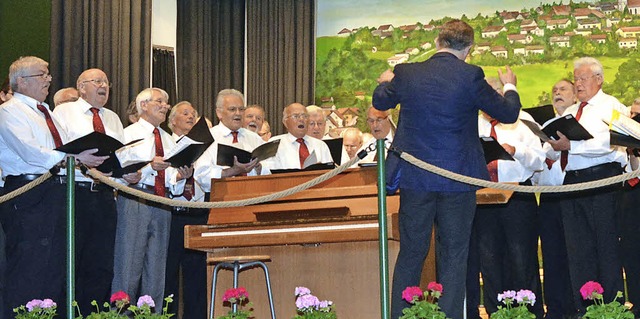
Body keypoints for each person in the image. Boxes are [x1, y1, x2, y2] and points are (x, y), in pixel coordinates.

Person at [372, 19, 522, 319]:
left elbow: (379, 100)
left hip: (416, 178)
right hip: (457, 180)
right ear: (469, 49)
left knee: (411, 253)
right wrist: (509, 85)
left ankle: (401, 315)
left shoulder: (407, 72)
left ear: (438, 42)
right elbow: (508, 113)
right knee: (454, 255)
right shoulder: (471, 75)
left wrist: (386, 80)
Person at [0, 56, 107, 318]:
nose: (49, 79)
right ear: (21, 81)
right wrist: (72, 158)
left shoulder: (45, 111)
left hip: (55, 190)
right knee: (30, 267)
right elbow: (30, 152)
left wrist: (94, 153)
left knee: (56, 267)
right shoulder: (9, 111)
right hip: (28, 194)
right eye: (42, 74)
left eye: (48, 73)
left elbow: (66, 144)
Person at [545, 57, 628, 315]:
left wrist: (574, 145)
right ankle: (584, 310)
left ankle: (611, 309)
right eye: (576, 78)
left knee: (605, 248)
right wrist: (550, 145)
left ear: (599, 79)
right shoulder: (571, 112)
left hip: (602, 180)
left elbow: (611, 142)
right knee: (577, 249)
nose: (578, 83)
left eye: (583, 78)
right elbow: (557, 148)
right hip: (572, 183)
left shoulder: (611, 105)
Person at [52, 68, 127, 315]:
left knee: (101, 264)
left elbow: (120, 155)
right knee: (72, 261)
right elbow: (57, 149)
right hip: (76, 192)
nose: (103, 85)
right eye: (97, 81)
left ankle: (95, 314)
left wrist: (125, 172)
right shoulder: (65, 111)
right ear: (81, 87)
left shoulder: (114, 118)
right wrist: (82, 161)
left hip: (105, 194)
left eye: (106, 81)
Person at [111, 87, 192, 313]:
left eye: (166, 102)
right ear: (143, 105)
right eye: (160, 101)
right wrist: (149, 168)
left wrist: (181, 176)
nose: (165, 106)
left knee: (157, 270)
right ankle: (121, 315)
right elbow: (123, 173)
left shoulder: (167, 139)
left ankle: (152, 316)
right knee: (128, 267)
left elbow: (169, 180)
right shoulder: (127, 134)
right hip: (135, 199)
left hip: (162, 202)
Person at [474, 103, 545, 317]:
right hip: (483, 198)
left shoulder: (523, 120)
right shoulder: (474, 123)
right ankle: (497, 313)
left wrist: (517, 151)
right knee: (489, 260)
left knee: (522, 258)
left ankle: (529, 312)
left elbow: (539, 160)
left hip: (518, 196)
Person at [533, 79, 576, 319]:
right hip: (549, 198)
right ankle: (557, 308)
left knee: (576, 252)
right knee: (552, 254)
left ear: (575, 97)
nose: (557, 92)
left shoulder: (583, 122)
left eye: (563, 89)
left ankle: (579, 304)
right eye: (554, 90)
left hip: (575, 194)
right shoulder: (542, 127)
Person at [165, 101, 207, 318]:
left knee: (198, 273)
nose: (191, 117)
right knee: (168, 272)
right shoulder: (165, 144)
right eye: (185, 113)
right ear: (172, 121)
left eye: (194, 113)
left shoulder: (204, 147)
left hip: (198, 213)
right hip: (173, 214)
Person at [194, 89, 267, 194]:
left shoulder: (254, 138)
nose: (238, 113)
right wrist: (232, 171)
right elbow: (202, 177)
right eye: (232, 109)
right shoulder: (207, 137)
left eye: (241, 109)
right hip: (221, 200)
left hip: (254, 197)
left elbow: (269, 172)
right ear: (219, 113)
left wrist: (259, 167)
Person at [264, 103, 333, 170]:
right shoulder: (274, 144)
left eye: (305, 116)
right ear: (285, 122)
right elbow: (267, 172)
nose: (301, 119)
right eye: (296, 116)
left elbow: (331, 172)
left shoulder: (320, 145)